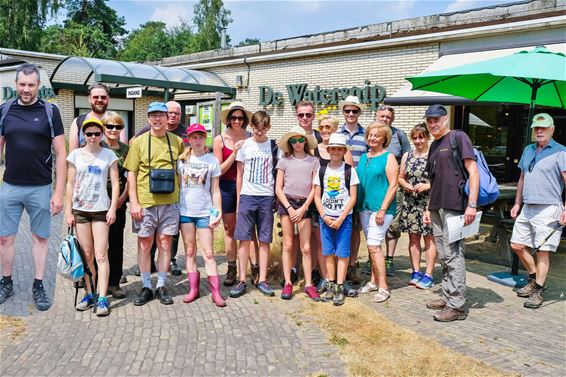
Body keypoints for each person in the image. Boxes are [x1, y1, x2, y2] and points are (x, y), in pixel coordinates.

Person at [0, 63, 66, 311]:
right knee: (4, 238)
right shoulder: (4, 110)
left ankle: (38, 284)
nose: (26, 89)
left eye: (31, 84)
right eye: (22, 84)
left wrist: (59, 192)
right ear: (16, 84)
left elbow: (61, 154)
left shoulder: (51, 111)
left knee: (40, 238)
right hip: (10, 187)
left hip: (41, 187)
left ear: (38, 85)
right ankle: (6, 282)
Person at [124, 102, 184, 306]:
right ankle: (146, 285)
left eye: (161, 115)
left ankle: (161, 284)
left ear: (168, 118)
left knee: (165, 243)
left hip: (170, 202)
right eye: (153, 115)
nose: (157, 119)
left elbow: (182, 171)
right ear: (148, 118)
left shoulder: (177, 142)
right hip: (145, 202)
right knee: (145, 243)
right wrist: (134, 202)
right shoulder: (138, 142)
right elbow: (131, 174)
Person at [423, 104, 479, 322]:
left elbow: (473, 172)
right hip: (437, 207)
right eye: (429, 120)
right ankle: (447, 296)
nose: (432, 124)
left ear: (445, 119)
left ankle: (456, 306)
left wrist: (471, 204)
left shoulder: (458, 137)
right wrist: (428, 208)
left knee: (454, 254)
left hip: (456, 206)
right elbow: (433, 181)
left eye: (436, 119)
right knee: (444, 255)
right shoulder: (434, 145)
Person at [510, 113, 566, 309]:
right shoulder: (528, 149)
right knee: (517, 245)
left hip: (549, 208)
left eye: (544, 128)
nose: (539, 131)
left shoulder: (561, 152)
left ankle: (539, 290)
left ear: (552, 130)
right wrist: (517, 203)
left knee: (543, 250)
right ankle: (534, 278)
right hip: (527, 206)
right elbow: (522, 179)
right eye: (536, 128)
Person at [66, 118, 119, 316]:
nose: (93, 137)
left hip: (100, 210)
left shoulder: (108, 155)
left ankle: (103, 297)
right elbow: (70, 184)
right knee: (86, 256)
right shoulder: (75, 155)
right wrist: (68, 212)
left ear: (102, 134)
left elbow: (115, 184)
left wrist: (113, 208)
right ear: (84, 136)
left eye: (97, 133)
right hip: (80, 211)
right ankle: (90, 293)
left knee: (101, 255)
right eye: (89, 134)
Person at [178, 123, 226, 307]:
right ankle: (193, 289)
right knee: (190, 251)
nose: (197, 141)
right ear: (189, 139)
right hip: (186, 212)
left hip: (205, 212)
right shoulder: (182, 160)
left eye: (200, 137)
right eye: (194, 137)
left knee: (208, 253)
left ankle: (216, 292)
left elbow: (215, 190)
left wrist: (217, 212)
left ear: (204, 138)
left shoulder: (212, 161)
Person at [230, 111, 276, 298]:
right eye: (256, 128)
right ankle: (242, 279)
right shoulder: (245, 146)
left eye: (263, 128)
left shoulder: (274, 147)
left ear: (268, 127)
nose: (260, 131)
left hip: (266, 196)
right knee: (244, 239)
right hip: (248, 196)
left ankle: (262, 279)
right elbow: (239, 174)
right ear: (252, 127)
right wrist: (239, 201)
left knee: (264, 240)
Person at [213, 101, 257, 286]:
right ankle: (232, 268)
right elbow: (219, 170)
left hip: (248, 187)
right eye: (233, 118)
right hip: (226, 187)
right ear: (228, 120)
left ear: (245, 119)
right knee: (230, 229)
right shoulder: (219, 139)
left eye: (240, 118)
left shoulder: (251, 136)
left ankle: (254, 269)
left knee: (249, 230)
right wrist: (234, 153)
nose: (237, 121)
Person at [275, 125, 320, 301]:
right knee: (287, 244)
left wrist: (304, 208)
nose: (298, 143)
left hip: (305, 205)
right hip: (287, 203)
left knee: (306, 247)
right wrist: (289, 208)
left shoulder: (313, 161)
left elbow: (315, 187)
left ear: (306, 141)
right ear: (290, 143)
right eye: (294, 140)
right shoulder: (284, 161)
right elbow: (278, 188)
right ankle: (288, 282)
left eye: (301, 139)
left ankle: (309, 284)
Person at [314, 133, 359, 306]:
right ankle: (331, 283)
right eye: (333, 149)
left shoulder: (349, 170)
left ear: (343, 151)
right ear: (328, 150)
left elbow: (353, 197)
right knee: (328, 253)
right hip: (325, 218)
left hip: (344, 219)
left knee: (342, 254)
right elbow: (317, 196)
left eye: (339, 149)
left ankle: (340, 286)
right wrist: (324, 216)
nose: (336, 152)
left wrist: (341, 217)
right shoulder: (322, 170)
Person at [356, 123, 398, 303]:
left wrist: (382, 209)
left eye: (377, 136)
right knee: (373, 247)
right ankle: (373, 281)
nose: (372, 138)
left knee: (374, 246)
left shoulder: (389, 157)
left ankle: (384, 287)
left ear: (384, 139)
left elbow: (394, 185)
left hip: (381, 210)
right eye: (370, 135)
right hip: (364, 208)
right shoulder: (364, 156)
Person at [398, 123, 436, 289]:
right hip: (411, 201)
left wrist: (428, 186)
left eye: (421, 137)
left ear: (427, 137)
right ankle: (415, 271)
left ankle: (428, 274)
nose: (418, 141)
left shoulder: (433, 155)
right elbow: (400, 176)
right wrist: (405, 184)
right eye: (414, 137)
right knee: (413, 237)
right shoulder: (407, 155)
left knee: (429, 238)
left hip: (428, 202)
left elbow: (441, 180)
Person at [375, 105, 411, 277]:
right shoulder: (372, 133)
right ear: (377, 116)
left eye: (388, 116)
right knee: (374, 222)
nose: (385, 119)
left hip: (394, 186)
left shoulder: (399, 135)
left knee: (393, 223)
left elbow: (407, 157)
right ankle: (374, 257)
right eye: (382, 116)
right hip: (374, 187)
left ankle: (389, 259)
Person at [337, 95, 366, 286]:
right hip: (338, 187)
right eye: (347, 110)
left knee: (356, 227)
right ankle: (338, 264)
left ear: (359, 113)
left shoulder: (366, 134)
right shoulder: (337, 134)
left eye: (354, 111)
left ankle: (351, 266)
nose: (350, 114)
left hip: (358, 186)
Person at [101, 112, 130, 299]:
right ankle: (97, 282)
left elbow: (130, 178)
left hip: (118, 203)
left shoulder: (126, 150)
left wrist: (122, 199)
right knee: (99, 246)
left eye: (117, 127)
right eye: (109, 126)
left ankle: (114, 283)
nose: (113, 130)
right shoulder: (97, 145)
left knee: (116, 243)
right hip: (97, 203)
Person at [68, 83, 127, 152]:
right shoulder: (78, 121)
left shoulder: (117, 122)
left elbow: (123, 153)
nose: (99, 100)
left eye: (103, 97)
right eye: (96, 97)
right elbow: (72, 155)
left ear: (108, 99)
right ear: (89, 99)